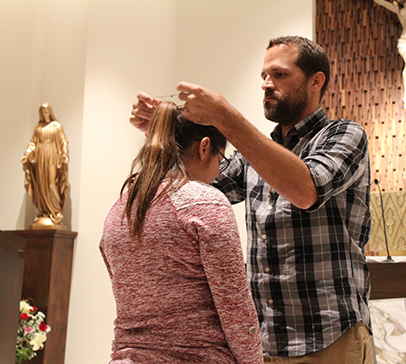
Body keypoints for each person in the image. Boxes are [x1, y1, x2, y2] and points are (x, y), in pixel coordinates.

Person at [131, 36, 373, 363]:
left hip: (329, 340)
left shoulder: (344, 135)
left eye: (279, 75)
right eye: (263, 76)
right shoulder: (254, 156)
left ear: (316, 81)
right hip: (264, 345)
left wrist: (224, 117)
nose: (266, 84)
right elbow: (198, 182)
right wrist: (164, 133)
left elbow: (306, 189)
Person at [100, 102, 263, 364]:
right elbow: (235, 309)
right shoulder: (206, 202)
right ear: (205, 147)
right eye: (221, 160)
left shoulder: (120, 207)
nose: (218, 171)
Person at [21, 102, 69, 228]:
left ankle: (54, 211)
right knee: (41, 185)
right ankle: (43, 211)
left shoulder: (56, 126)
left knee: (51, 184)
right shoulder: (38, 127)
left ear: (50, 112)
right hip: (40, 159)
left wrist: (64, 154)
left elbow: (63, 141)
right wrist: (27, 154)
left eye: (46, 112)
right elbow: (33, 144)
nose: (44, 114)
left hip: (52, 158)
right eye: (42, 112)